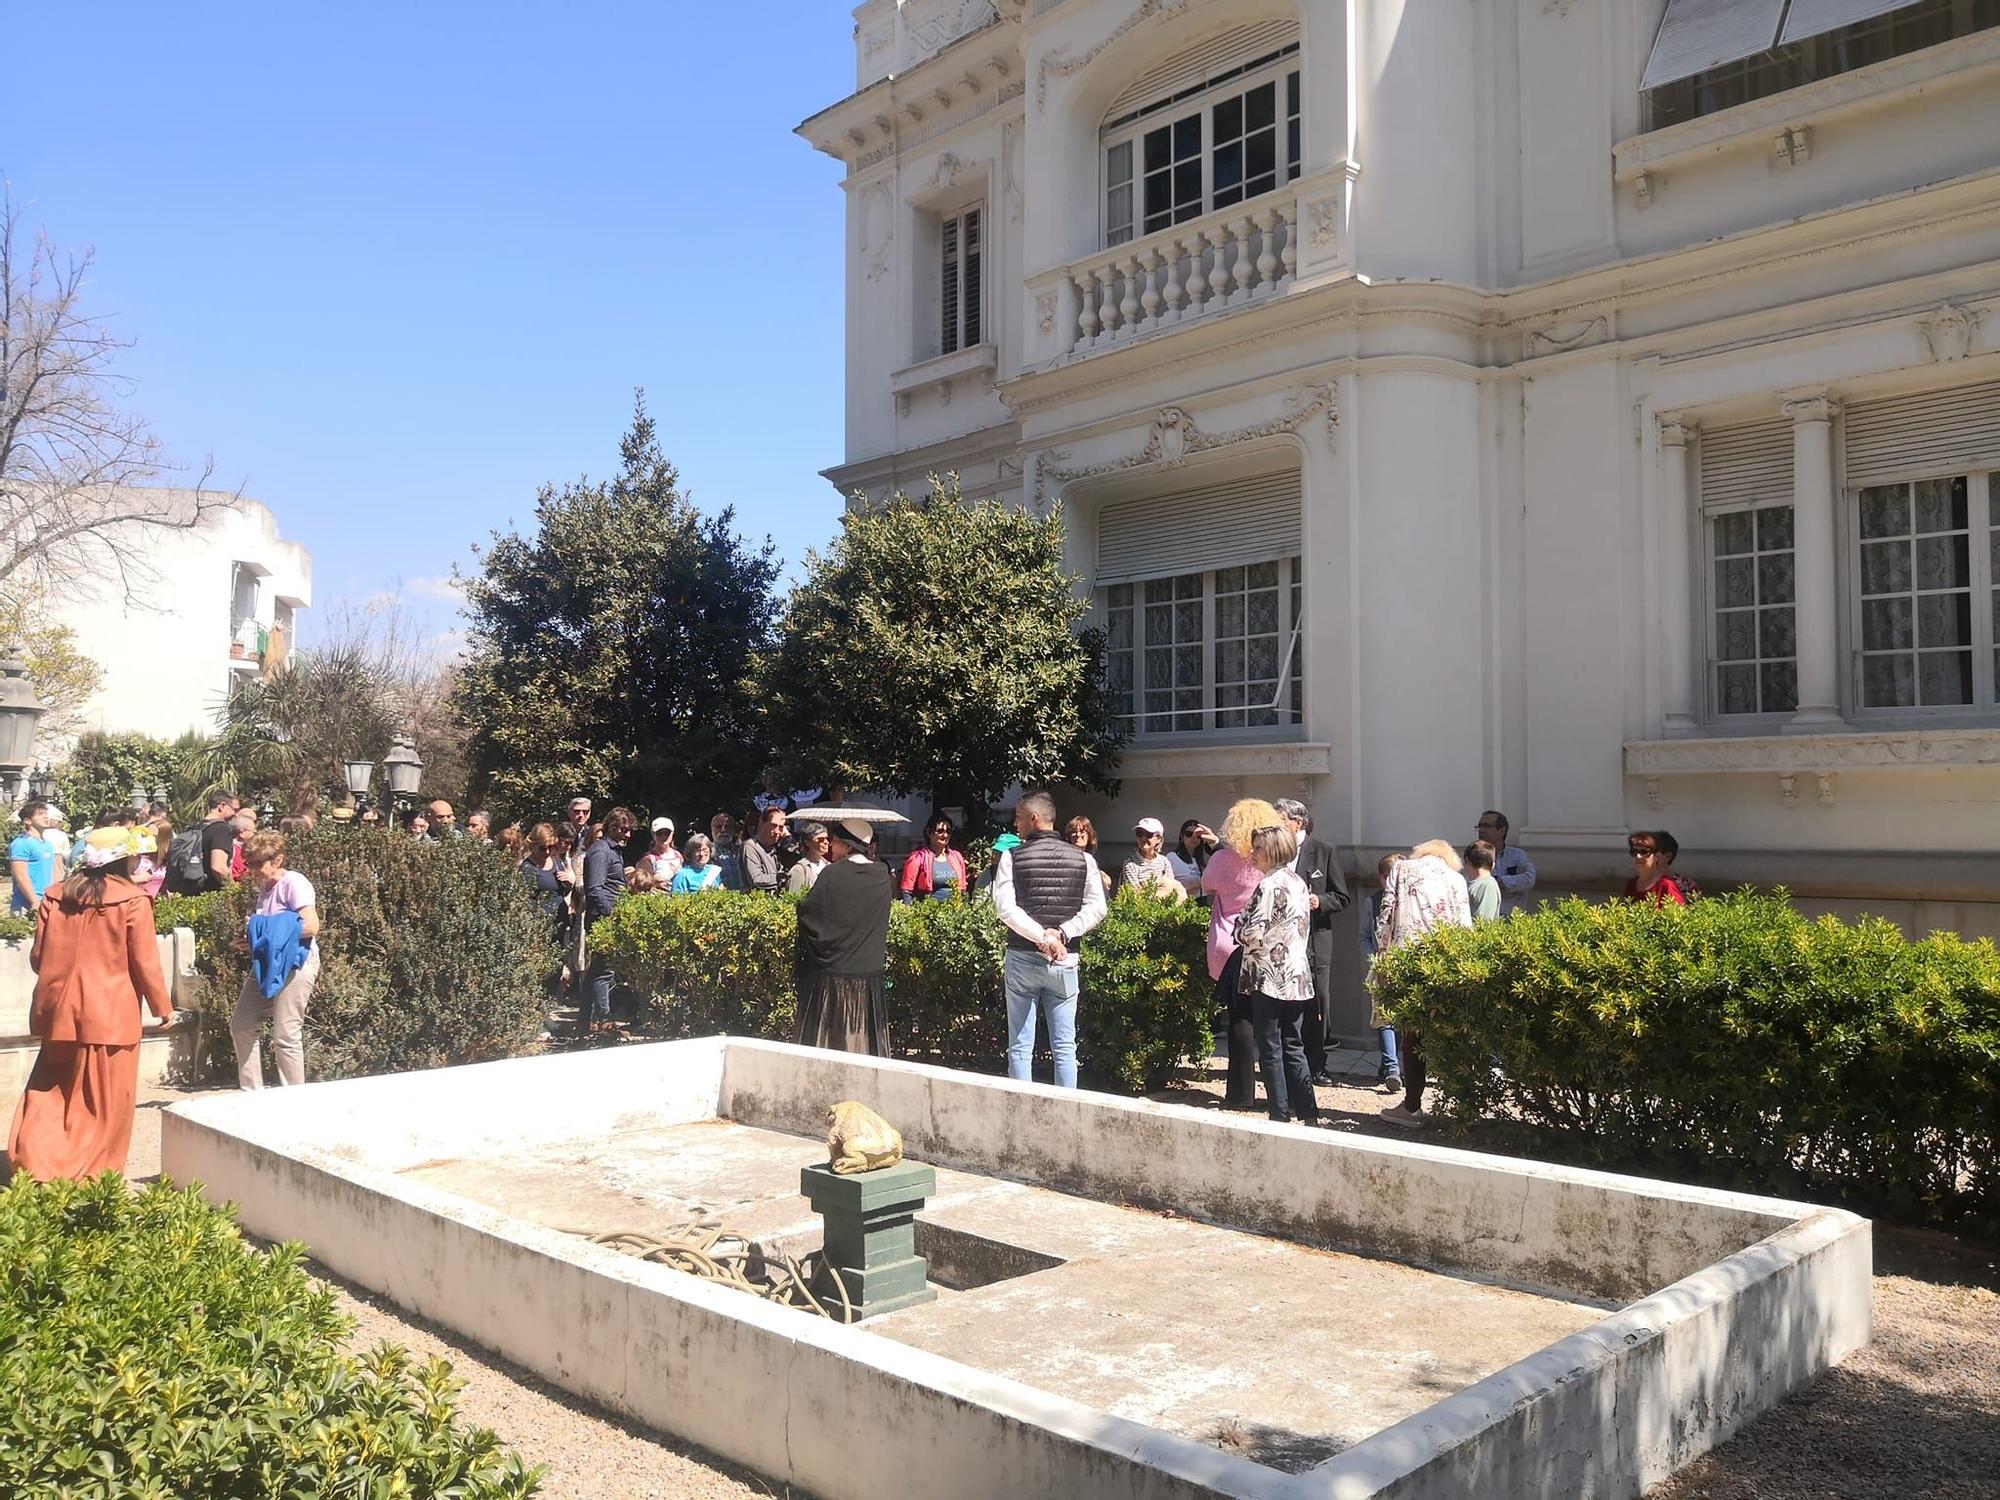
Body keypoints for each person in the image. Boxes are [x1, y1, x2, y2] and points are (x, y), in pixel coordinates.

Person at [5, 827, 174, 1180]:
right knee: (104, 1101)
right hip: (111, 1014)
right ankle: (90, 1174)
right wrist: (162, 1007)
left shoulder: (54, 897)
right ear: (123, 859)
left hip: (58, 1011)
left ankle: (37, 1162)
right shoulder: (132, 900)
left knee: (52, 1090)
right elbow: (144, 961)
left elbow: (39, 958)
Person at [991, 791, 1108, 1089]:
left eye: (1018, 818)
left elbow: (1005, 908)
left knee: (1020, 1045)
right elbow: (1098, 908)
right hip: (1066, 959)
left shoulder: (1011, 856)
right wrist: (1062, 934)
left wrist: (1041, 937)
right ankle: (1067, 1115)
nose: (1015, 824)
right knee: (1065, 1046)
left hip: (1023, 955)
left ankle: (1020, 1111)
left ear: (1033, 819)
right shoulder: (1083, 859)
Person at [1374, 839, 1474, 1128]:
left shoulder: (1403, 869)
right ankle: (1462, 1106)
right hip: (1444, 963)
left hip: (1408, 961)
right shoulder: (1456, 878)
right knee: (1448, 1034)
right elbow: (1464, 925)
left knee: (1412, 1036)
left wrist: (1383, 960)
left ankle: (1412, 1106)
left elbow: (1387, 915)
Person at [1234, 822, 1319, 1126]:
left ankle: (1279, 1113)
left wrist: (1238, 930)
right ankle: (1309, 1113)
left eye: (1257, 848)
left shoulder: (1267, 885)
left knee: (1270, 1047)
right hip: (1296, 977)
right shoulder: (1298, 882)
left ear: (1271, 850)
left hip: (1269, 977)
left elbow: (1252, 931)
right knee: (1294, 1045)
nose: (1253, 854)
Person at [1203, 798, 1281, 1109]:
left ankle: (1240, 1093)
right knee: (1270, 1022)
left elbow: (1208, 885)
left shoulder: (1223, 859)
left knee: (1239, 1020)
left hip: (1229, 945)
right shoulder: (1274, 865)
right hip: (1265, 946)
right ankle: (1278, 1093)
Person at [228, 829, 322, 1090]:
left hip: (295, 965)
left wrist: (265, 930)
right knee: (242, 1025)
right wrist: (251, 938)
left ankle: (294, 1098)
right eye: (250, 863)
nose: (253, 870)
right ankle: (252, 1093)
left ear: (277, 859)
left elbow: (310, 926)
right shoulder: (265, 888)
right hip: (268, 964)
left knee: (286, 1034)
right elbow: (272, 932)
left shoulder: (294, 882)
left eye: (258, 863)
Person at [794, 817, 896, 1054]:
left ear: (848, 845)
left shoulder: (831, 874)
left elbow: (810, 915)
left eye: (836, 841)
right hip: (869, 974)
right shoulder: (882, 873)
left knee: (830, 1045)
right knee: (865, 1042)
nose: (831, 845)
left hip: (833, 976)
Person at [1272, 798, 1351, 1085]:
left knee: (1318, 1000)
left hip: (1315, 939)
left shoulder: (1324, 851)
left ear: (1298, 822)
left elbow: (1342, 896)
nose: (1275, 826)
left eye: (1280, 820)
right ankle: (1287, 1061)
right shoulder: (1275, 852)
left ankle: (1317, 1063)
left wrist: (1318, 901)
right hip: (1282, 941)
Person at [576, 806, 634, 1034]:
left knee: (595, 971)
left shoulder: (612, 851)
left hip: (606, 916)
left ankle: (583, 1022)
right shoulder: (601, 851)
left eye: (629, 830)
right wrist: (612, 915)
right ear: (613, 827)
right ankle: (605, 1022)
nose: (628, 835)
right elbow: (595, 890)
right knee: (605, 971)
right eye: (624, 830)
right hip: (603, 918)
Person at [1358, 854, 1405, 1094]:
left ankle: (1391, 1064)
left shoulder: (1411, 900)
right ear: (1381, 878)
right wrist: (1375, 960)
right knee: (1385, 1018)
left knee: (1402, 1020)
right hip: (1382, 965)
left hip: (1406, 966)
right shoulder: (1373, 902)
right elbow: (1365, 936)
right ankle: (1391, 1068)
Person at [9, 800, 67, 914]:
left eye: (46, 813)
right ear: (27, 821)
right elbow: (20, 875)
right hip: (26, 905)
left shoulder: (47, 844)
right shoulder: (21, 843)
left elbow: (53, 872)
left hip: (47, 900)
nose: (46, 817)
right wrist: (34, 901)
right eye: (40, 814)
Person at [899, 813, 970, 902]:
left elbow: (963, 889)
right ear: (929, 832)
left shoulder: (957, 857)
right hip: (928, 911)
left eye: (948, 831)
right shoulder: (918, 857)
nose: (945, 835)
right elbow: (907, 890)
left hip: (954, 912)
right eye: (940, 831)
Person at [1475, 811, 1535, 913]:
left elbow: (1529, 879)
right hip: (1484, 919)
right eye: (1479, 826)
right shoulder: (1474, 856)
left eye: (1486, 826)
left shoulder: (1517, 855)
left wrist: (1501, 881)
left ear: (1502, 831)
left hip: (1512, 918)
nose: (1481, 830)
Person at [1120, 817, 1186, 904]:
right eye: (1139, 834)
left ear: (1158, 839)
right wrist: (1161, 891)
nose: (1143, 838)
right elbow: (1134, 894)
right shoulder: (1130, 863)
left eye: (1149, 834)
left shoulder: (1164, 861)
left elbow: (1172, 890)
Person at [1623, 830, 1692, 906]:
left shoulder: (1667, 885)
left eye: (1644, 852)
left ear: (1656, 856)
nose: (1638, 856)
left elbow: (1679, 915)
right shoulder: (1631, 885)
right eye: (1634, 851)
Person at [740, 805, 788, 895]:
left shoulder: (774, 848)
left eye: (781, 827)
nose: (777, 831)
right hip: (757, 905)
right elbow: (756, 880)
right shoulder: (750, 846)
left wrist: (788, 839)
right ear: (761, 823)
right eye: (773, 825)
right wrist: (779, 877)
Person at [1063, 816, 1115, 898]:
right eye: (1074, 832)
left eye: (1082, 831)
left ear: (1089, 835)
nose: (1078, 835)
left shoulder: (1091, 860)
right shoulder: (1064, 858)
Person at [1167, 818, 1217, 897]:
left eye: (1198, 835)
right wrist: (1195, 886)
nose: (1193, 837)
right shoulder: (1172, 857)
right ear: (1182, 836)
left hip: (1202, 903)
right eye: (1189, 834)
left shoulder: (1201, 860)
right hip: (1183, 903)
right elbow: (1167, 889)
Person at [787, 821, 831, 893]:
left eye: (826, 838)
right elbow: (794, 897)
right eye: (820, 839)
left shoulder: (828, 865)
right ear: (807, 842)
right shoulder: (800, 869)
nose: (826, 842)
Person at [637, 817, 683, 884]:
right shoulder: (648, 859)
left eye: (667, 833)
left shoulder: (678, 855)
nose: (663, 837)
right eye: (659, 833)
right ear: (653, 835)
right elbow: (644, 883)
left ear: (672, 834)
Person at [1464, 841, 1502, 922]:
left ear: (1468, 861)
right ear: (1493, 864)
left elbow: (1483, 921)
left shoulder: (1486, 886)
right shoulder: (1479, 884)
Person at [709, 812, 744, 891]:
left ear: (733, 830)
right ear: (712, 829)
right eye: (718, 827)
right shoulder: (708, 853)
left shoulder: (741, 852)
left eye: (727, 826)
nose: (723, 830)